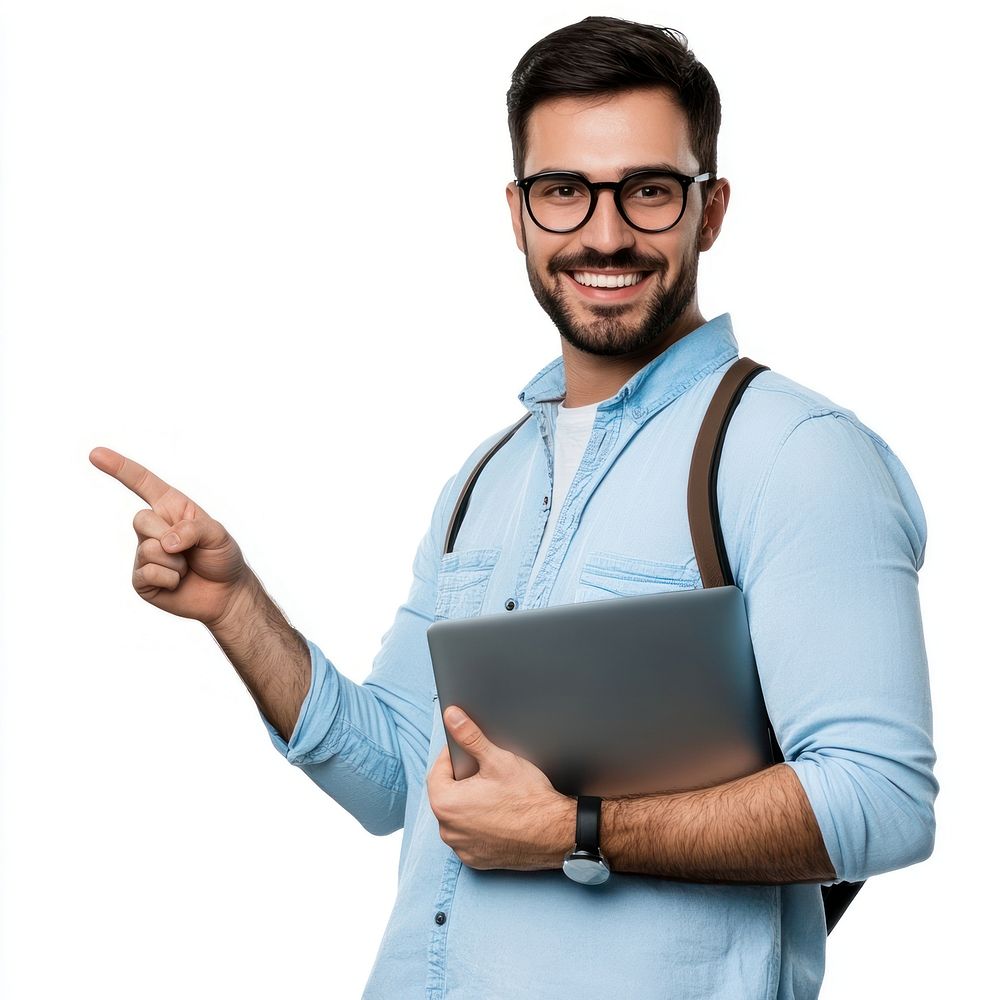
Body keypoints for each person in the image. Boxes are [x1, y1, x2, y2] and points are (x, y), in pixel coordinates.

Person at [90, 15, 937, 999]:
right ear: (519, 211)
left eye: (650, 191)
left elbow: (881, 799)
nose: (606, 232)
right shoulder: (484, 480)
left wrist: (576, 829)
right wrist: (237, 609)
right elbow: (397, 776)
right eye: (565, 191)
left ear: (710, 211)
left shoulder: (793, 454)